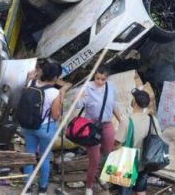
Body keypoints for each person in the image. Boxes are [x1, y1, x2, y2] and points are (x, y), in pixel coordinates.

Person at [22, 61, 69, 195]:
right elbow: (55, 116)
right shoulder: (54, 92)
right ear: (55, 77)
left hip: (28, 126)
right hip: (45, 129)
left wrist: (29, 78)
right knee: (44, 158)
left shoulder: (31, 84)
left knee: (29, 156)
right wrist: (62, 94)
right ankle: (42, 189)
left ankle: (27, 188)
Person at [77, 65, 122, 195]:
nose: (100, 82)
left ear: (107, 78)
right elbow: (79, 104)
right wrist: (79, 96)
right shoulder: (87, 87)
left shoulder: (111, 87)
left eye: (103, 79)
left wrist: (121, 120)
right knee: (94, 159)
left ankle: (103, 177)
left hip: (107, 125)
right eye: (97, 78)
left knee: (109, 154)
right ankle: (89, 187)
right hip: (91, 127)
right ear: (94, 76)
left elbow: (113, 105)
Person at [114, 88, 161, 195]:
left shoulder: (127, 121)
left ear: (134, 101)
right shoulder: (152, 120)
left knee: (125, 191)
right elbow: (158, 137)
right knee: (140, 190)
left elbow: (118, 142)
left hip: (127, 164)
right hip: (144, 162)